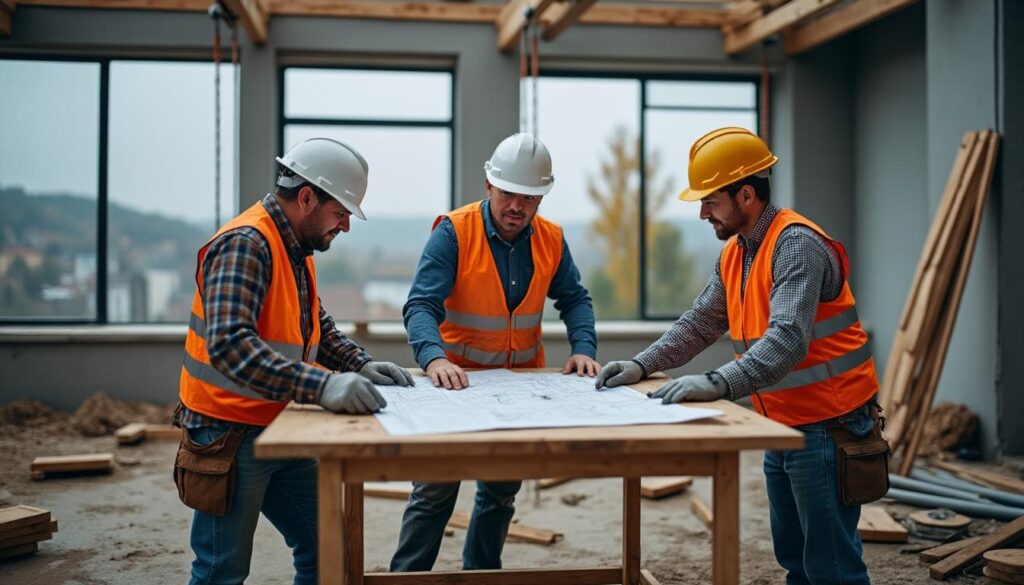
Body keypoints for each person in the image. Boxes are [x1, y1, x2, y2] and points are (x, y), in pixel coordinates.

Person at [596, 127, 877, 585]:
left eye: (710, 200)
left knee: (832, 570)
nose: (702, 212)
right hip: (781, 424)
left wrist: (717, 383)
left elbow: (787, 339)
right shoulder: (738, 253)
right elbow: (701, 322)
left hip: (830, 426)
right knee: (795, 561)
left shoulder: (796, 245)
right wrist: (642, 364)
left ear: (746, 194)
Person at [175, 137, 414, 585]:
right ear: (306, 198)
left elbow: (315, 327)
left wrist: (357, 364)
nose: (344, 226)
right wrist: (323, 387)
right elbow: (230, 345)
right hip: (227, 433)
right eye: (340, 213)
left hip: (278, 423)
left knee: (327, 547)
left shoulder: (293, 247)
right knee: (219, 570)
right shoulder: (247, 244)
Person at [392, 132, 600, 572]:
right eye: (508, 193)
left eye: (529, 197)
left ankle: (482, 575)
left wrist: (584, 348)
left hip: (519, 394)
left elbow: (576, 299)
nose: (516, 207)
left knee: (500, 492)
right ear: (489, 185)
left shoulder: (551, 239)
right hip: (454, 388)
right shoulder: (453, 232)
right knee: (433, 492)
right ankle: (406, 579)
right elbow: (420, 305)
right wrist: (434, 358)